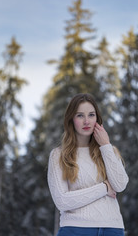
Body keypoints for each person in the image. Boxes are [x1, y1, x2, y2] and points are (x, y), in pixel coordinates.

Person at [47, 93, 129, 236]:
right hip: (75, 229)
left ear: (97, 118)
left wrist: (105, 145)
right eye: (80, 115)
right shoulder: (58, 155)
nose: (87, 121)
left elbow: (120, 184)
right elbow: (62, 201)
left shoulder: (108, 151)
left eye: (91, 115)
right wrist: (104, 187)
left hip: (112, 228)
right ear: (71, 119)